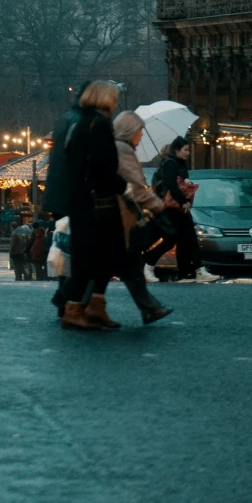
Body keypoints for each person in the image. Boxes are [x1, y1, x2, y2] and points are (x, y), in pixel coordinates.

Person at [45, 79, 131, 332]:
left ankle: (94, 305)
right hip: (96, 201)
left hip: (82, 199)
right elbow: (102, 166)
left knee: (100, 255)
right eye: (113, 97)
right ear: (103, 98)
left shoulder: (79, 122)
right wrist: (123, 186)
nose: (116, 102)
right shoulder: (98, 124)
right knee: (91, 257)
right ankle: (75, 308)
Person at [112, 112, 172, 327]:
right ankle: (149, 309)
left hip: (114, 216)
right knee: (126, 264)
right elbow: (136, 188)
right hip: (121, 216)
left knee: (127, 266)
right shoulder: (124, 150)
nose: (141, 136)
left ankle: (150, 309)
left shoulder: (115, 148)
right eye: (139, 131)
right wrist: (157, 206)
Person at [151, 140, 202, 281]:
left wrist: (186, 183)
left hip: (177, 206)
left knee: (183, 238)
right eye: (185, 150)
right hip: (171, 206)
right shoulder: (168, 165)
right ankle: (147, 263)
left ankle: (187, 271)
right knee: (175, 238)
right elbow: (168, 186)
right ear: (177, 151)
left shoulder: (178, 165)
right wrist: (183, 200)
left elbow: (179, 181)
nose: (188, 153)